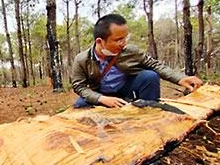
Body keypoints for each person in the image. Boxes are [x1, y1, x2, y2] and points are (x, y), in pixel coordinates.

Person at [71, 13, 203, 108]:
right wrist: (101, 99)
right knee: (80, 105)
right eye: (118, 40)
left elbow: (155, 65)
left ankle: (151, 114)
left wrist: (180, 78)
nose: (123, 43)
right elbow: (79, 86)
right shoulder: (82, 60)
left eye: (125, 38)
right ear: (100, 41)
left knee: (149, 76)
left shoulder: (131, 51)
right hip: (101, 94)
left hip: (126, 90)